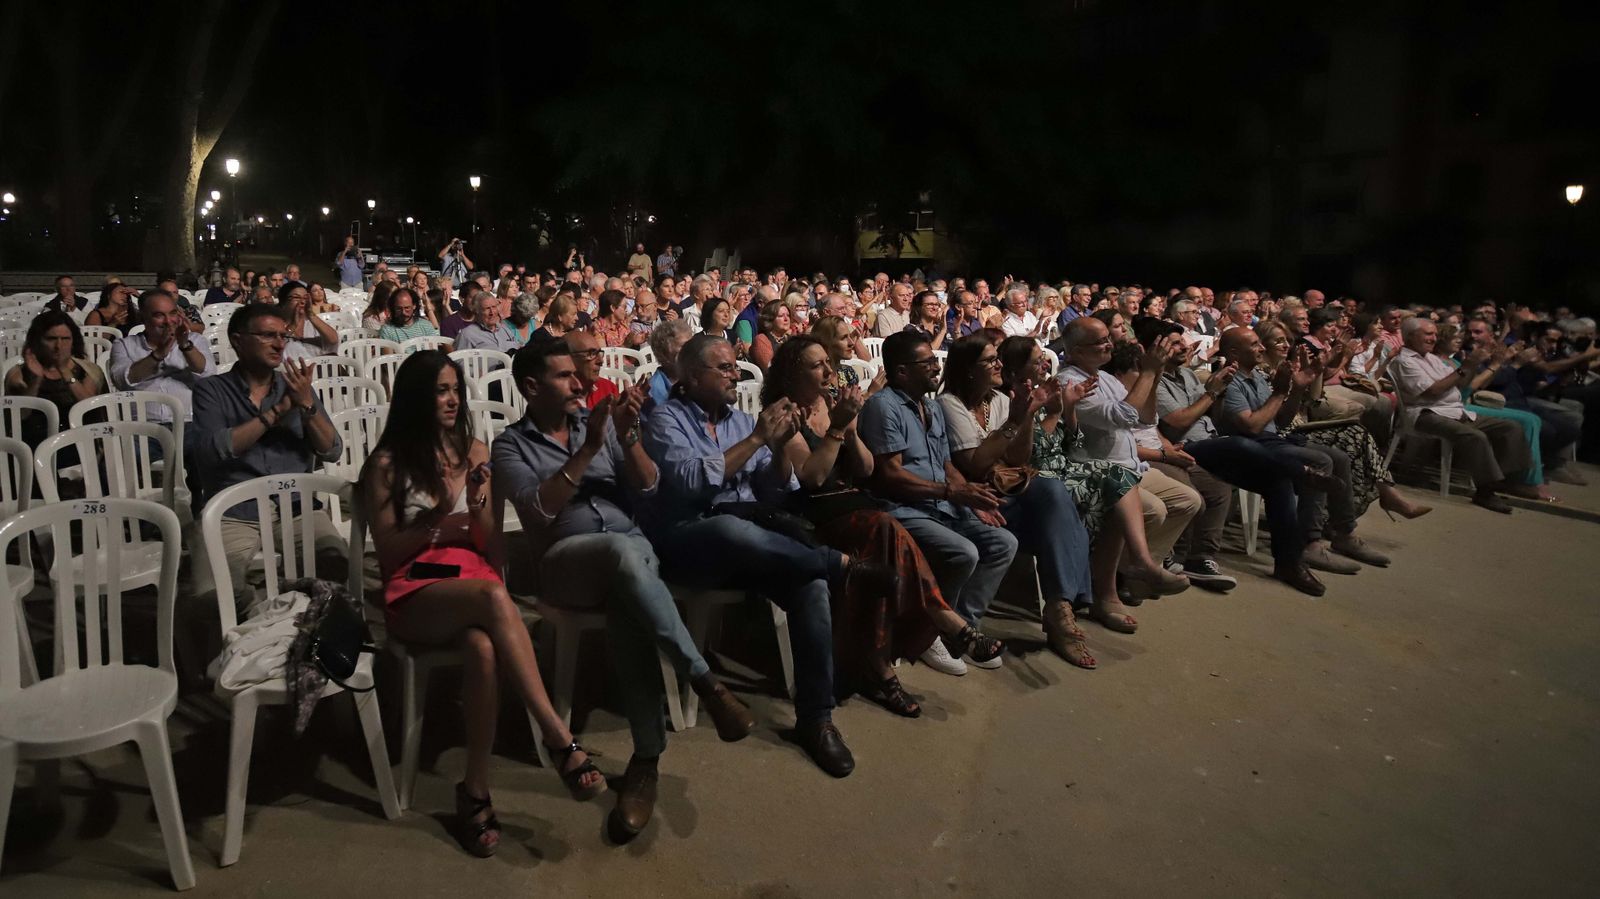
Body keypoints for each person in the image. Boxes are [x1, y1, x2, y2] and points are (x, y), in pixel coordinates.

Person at [494, 339, 753, 842]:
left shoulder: (600, 424)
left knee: (627, 583)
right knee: (623, 556)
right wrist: (589, 448)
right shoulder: (512, 445)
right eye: (564, 376)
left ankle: (646, 761)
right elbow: (538, 511)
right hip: (566, 562)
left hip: (631, 554)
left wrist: (628, 435)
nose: (579, 382)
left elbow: (649, 486)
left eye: (577, 373)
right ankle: (703, 681)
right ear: (531, 387)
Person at [361, 351, 605, 858]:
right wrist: (439, 518)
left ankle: (474, 790)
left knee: (483, 647)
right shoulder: (387, 464)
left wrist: (475, 514)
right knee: (494, 596)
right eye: (440, 391)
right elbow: (387, 553)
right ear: (415, 398)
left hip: (472, 582)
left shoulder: (476, 452)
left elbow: (492, 549)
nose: (452, 400)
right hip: (416, 590)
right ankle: (558, 737)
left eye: (456, 389)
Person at [642, 334, 868, 777]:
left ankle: (816, 719)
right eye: (725, 368)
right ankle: (837, 564)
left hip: (752, 541)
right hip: (690, 543)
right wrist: (759, 438)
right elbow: (691, 485)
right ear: (693, 377)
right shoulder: (665, 420)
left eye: (736, 366)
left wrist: (779, 448)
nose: (736, 375)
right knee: (728, 527)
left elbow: (772, 490)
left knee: (809, 585)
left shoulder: (741, 420)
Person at [763, 336, 1002, 714]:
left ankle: (882, 667)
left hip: (854, 505)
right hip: (811, 513)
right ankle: (945, 624)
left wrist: (850, 431)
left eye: (828, 362)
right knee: (886, 529)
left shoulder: (828, 404)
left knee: (884, 560)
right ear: (793, 373)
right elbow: (812, 478)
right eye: (817, 365)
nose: (829, 370)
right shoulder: (783, 412)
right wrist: (837, 430)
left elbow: (865, 469)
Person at [941, 332, 1157, 655]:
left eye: (997, 358)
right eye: (989, 360)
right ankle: (1068, 609)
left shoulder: (1000, 400)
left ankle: (1062, 607)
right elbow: (976, 465)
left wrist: (1031, 415)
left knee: (1069, 502)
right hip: (981, 494)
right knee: (1063, 498)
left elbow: (1018, 459)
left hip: (1015, 486)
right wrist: (1021, 419)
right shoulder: (951, 404)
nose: (997, 364)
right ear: (969, 370)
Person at [857, 332, 1018, 676]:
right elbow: (890, 475)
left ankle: (961, 629)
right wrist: (951, 494)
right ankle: (929, 633)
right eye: (927, 362)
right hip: (901, 507)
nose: (936, 367)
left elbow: (945, 463)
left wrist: (970, 496)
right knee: (963, 552)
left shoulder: (930, 406)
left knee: (1003, 542)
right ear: (902, 371)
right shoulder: (883, 407)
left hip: (939, 503)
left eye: (935, 360)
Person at [188, 304, 343, 614]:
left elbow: (332, 450)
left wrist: (307, 406)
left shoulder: (296, 387)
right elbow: (212, 450)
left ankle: (293, 620)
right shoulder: (211, 390)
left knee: (336, 561)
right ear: (238, 340)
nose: (279, 344)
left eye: (283, 336)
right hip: (235, 510)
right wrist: (275, 413)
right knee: (212, 594)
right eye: (268, 336)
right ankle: (262, 611)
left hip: (296, 507)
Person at [1213, 327, 1390, 570]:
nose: (1261, 348)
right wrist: (1279, 393)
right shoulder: (1231, 381)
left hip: (1273, 440)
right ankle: (1310, 543)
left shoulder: (1256, 376)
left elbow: (1281, 421)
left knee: (1339, 457)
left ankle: (1344, 534)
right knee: (1320, 461)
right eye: (1254, 345)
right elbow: (1251, 427)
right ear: (1234, 352)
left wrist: (1296, 389)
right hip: (1248, 446)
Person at [1059, 318, 1201, 594]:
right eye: (1100, 341)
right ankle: (1117, 577)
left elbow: (1145, 418)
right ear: (1077, 351)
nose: (1109, 344)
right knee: (1154, 510)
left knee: (1188, 500)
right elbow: (1122, 417)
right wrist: (1146, 372)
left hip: (1130, 465)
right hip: (1100, 469)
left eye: (1107, 339)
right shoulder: (1070, 382)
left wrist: (1155, 374)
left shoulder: (1106, 378)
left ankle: (1132, 572)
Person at [1257, 320, 1430, 521]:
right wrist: (1298, 384)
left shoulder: (1284, 366)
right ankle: (1355, 513)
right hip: (1283, 434)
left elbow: (1313, 399)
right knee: (1353, 438)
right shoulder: (1262, 372)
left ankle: (1350, 516)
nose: (1286, 345)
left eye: (1287, 340)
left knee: (1356, 434)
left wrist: (1314, 371)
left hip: (1297, 427)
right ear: (1263, 344)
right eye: (1278, 341)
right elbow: (1280, 419)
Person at [1387, 317, 1533, 514]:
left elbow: (1462, 384)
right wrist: (1465, 366)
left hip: (1454, 411)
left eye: (1435, 334)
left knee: (1511, 427)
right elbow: (1433, 391)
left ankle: (1506, 482)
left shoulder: (1432, 358)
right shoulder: (1404, 361)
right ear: (1410, 336)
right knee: (1475, 436)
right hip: (1425, 414)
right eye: (1428, 334)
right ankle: (1485, 491)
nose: (1433, 338)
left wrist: (1473, 365)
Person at [108, 290, 217, 424]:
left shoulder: (195, 340)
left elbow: (208, 373)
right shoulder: (124, 345)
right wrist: (158, 354)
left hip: (190, 421)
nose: (168, 321)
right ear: (143, 318)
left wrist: (185, 345)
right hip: (144, 426)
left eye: (172, 313)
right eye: (159, 315)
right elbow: (121, 380)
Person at [2, 311, 108, 447]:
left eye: (65, 339)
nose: (59, 346)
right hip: (33, 444)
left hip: (80, 444)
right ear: (38, 341)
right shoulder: (19, 373)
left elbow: (91, 410)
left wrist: (64, 371)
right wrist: (36, 380)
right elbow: (18, 417)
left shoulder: (88, 370)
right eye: (51, 339)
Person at [277, 282, 338, 362]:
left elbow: (333, 340)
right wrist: (293, 326)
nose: (302, 301)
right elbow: (277, 346)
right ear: (283, 303)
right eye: (296, 297)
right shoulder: (276, 325)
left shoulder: (314, 323)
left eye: (306, 298)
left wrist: (311, 315)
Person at [643, 318, 693, 411]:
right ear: (664, 353)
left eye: (692, 345)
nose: (692, 351)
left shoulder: (695, 379)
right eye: (684, 346)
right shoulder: (653, 390)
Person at [565, 329, 618, 410]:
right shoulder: (557, 397)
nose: (601, 361)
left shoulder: (608, 389)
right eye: (591, 354)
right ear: (569, 358)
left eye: (599, 353)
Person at [453, 291, 519, 353]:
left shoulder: (505, 329)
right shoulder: (467, 335)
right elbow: (459, 360)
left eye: (494, 307)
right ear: (477, 312)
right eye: (487, 308)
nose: (492, 312)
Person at [749, 300, 791, 371]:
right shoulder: (761, 340)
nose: (786, 319)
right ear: (770, 320)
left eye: (788, 315)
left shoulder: (790, 339)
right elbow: (771, 370)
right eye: (781, 316)